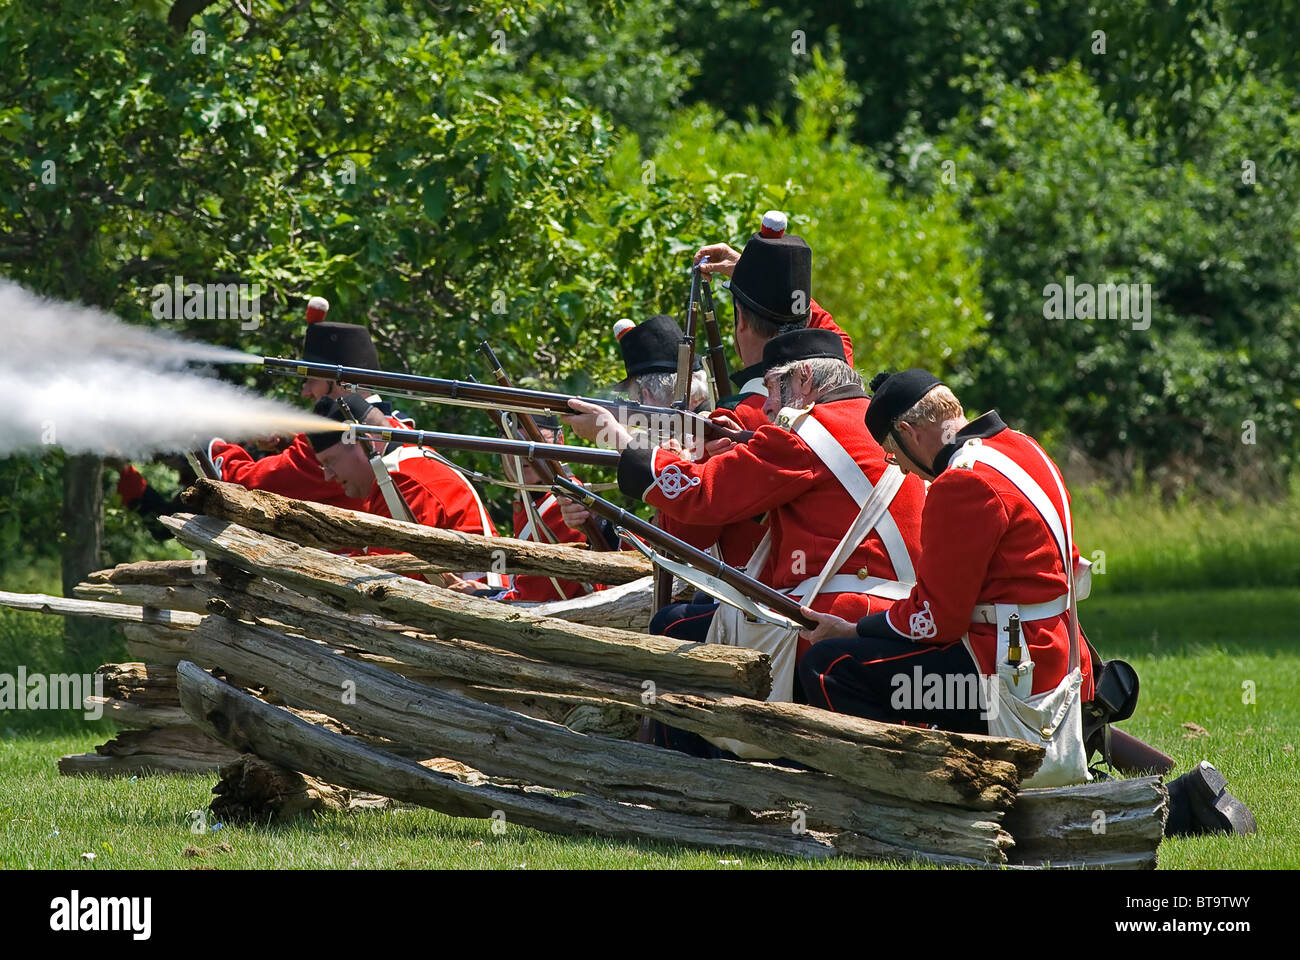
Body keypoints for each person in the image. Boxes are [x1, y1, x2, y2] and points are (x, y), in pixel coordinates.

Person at [796, 370, 1255, 833]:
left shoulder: (962, 483)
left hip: (1009, 675)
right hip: (1055, 660)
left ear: (911, 433)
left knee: (828, 666)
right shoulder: (1023, 448)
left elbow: (938, 620)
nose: (900, 468)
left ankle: (905, 812)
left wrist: (854, 627)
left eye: (894, 454)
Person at [571, 328, 925, 695]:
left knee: (671, 632)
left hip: (829, 616)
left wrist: (615, 438)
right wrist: (740, 443)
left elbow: (702, 495)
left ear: (803, 378)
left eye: (772, 388)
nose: (768, 405)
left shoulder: (803, 436)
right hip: (891, 615)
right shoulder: (869, 419)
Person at [208, 305, 409, 509]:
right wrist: (286, 441)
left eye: (311, 379)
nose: (306, 391)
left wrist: (210, 443)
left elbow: (240, 482)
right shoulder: (399, 423)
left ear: (341, 382)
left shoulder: (331, 443)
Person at [693, 210, 855, 431]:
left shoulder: (735, 417)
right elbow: (833, 333)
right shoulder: (837, 379)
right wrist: (770, 276)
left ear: (742, 321)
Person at [495, 415, 605, 602]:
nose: (523, 455)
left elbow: (533, 597)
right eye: (512, 445)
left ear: (559, 441)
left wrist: (479, 595)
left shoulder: (563, 504)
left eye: (532, 443)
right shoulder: (531, 501)